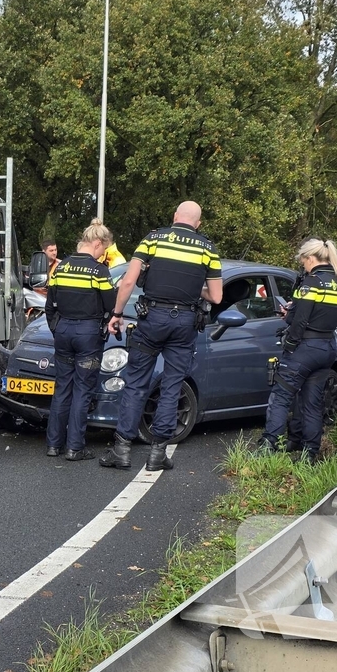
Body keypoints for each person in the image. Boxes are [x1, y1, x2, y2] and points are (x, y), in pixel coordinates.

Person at [102, 201, 223, 471]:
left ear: (175, 216)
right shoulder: (208, 249)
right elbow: (216, 296)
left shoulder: (153, 239)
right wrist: (193, 288)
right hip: (185, 323)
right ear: (198, 224)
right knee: (172, 385)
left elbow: (128, 281)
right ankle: (158, 454)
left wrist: (117, 314)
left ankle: (121, 451)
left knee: (136, 382)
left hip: (152, 319)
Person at [258, 239, 337, 462]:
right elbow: (321, 313)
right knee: (312, 402)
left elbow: (299, 321)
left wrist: (290, 341)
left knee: (281, 395)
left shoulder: (311, 282)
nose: (303, 266)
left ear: (310, 258)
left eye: (303, 261)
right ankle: (309, 453)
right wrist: (295, 310)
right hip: (327, 347)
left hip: (305, 348)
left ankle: (269, 445)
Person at [44, 222, 117, 461]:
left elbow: (49, 306)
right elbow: (111, 306)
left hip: (63, 331)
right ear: (97, 243)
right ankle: (75, 447)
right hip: (88, 334)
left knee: (62, 388)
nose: (103, 253)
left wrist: (57, 329)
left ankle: (53, 445)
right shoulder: (99, 271)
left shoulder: (61, 267)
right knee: (83, 390)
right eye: (103, 249)